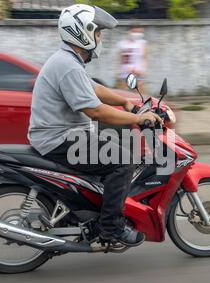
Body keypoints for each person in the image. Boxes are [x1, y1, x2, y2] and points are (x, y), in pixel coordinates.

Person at [28, 4, 162, 246]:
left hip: (62, 135)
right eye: (98, 32)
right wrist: (138, 118)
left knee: (115, 144)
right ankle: (111, 227)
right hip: (59, 139)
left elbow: (95, 90)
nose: (100, 38)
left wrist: (126, 101)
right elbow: (96, 111)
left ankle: (95, 209)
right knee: (123, 161)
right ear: (82, 32)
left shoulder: (69, 61)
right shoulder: (67, 65)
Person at [118, 26, 148, 93]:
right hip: (125, 71)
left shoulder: (142, 43)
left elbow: (145, 57)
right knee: (122, 92)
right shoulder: (123, 43)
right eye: (135, 31)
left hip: (138, 71)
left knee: (140, 92)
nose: (137, 34)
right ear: (129, 32)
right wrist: (119, 70)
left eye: (140, 32)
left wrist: (143, 70)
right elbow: (121, 58)